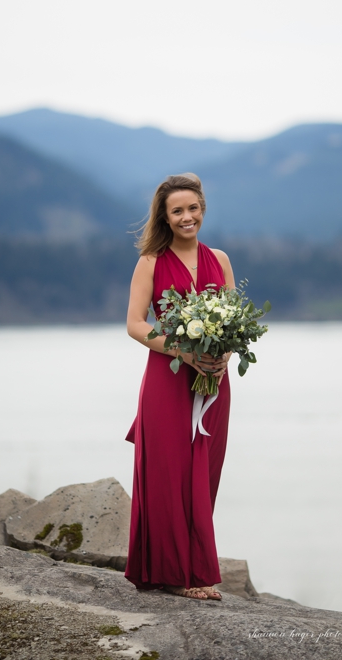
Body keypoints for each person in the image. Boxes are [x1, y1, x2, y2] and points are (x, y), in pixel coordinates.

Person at [121, 172, 233, 602]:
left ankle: (194, 567)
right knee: (169, 474)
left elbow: (231, 320)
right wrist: (183, 353)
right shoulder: (151, 261)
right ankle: (173, 574)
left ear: (202, 209)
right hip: (167, 380)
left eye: (193, 208)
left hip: (212, 382)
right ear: (165, 217)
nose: (187, 217)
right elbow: (135, 324)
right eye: (177, 211)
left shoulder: (219, 259)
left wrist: (223, 356)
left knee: (203, 473)